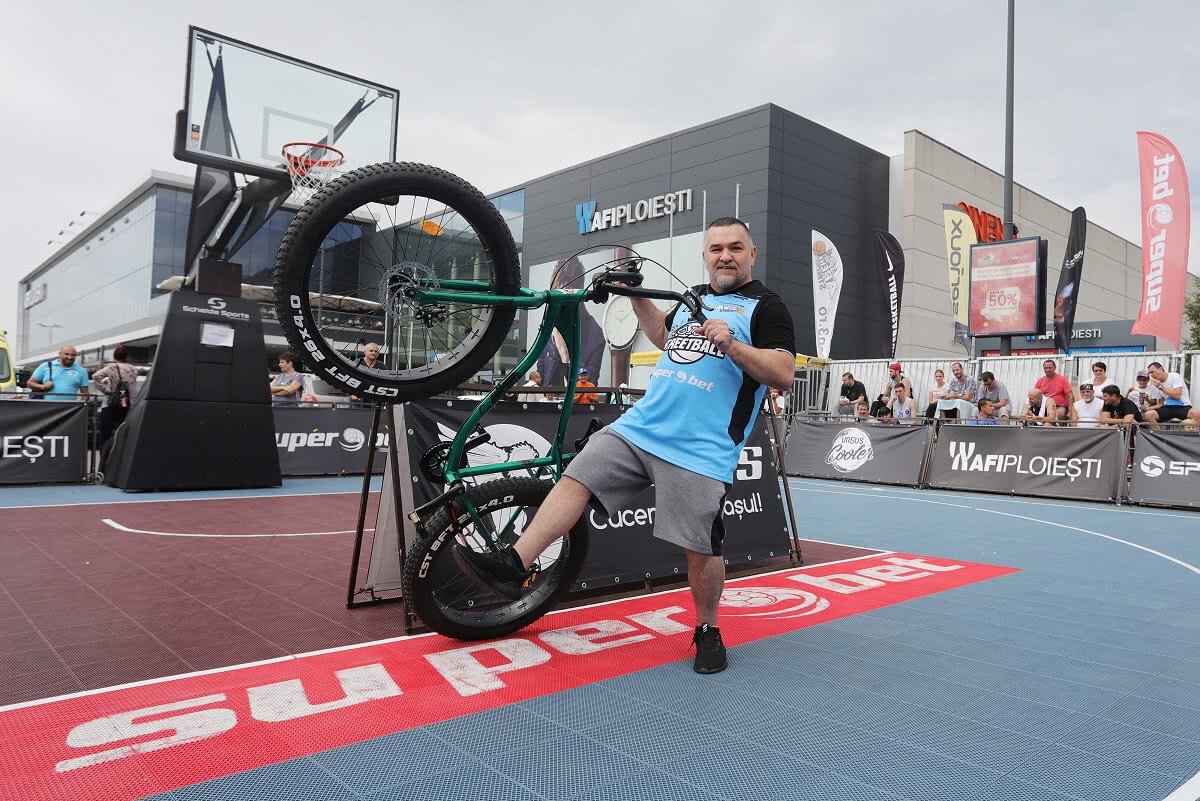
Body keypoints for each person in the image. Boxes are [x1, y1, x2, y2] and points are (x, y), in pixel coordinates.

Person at [452, 217, 796, 675]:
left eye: (735, 247)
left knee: (701, 549)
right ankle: (514, 564)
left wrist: (732, 343)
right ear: (705, 255)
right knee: (576, 475)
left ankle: (707, 629)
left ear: (752, 254)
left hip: (700, 448)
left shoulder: (767, 307)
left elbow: (783, 373)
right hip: (642, 426)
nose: (725, 256)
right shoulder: (694, 297)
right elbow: (662, 336)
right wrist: (635, 296)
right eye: (716, 248)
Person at [92, 344, 138, 447]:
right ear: (126, 357)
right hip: (128, 405)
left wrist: (107, 391)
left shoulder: (111, 367)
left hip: (111, 404)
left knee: (105, 434)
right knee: (124, 434)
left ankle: (105, 457)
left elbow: (95, 376)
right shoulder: (134, 370)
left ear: (114, 357)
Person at [1143, 361, 1200, 429]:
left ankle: (1192, 437)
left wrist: (1160, 387)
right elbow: (1161, 404)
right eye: (1149, 373)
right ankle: (1159, 436)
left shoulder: (1174, 376)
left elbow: (1177, 396)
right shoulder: (1155, 384)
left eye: (1152, 372)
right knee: (1148, 415)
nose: (1151, 375)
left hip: (1183, 406)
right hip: (1167, 408)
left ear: (1161, 369)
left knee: (1197, 413)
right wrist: (1148, 408)